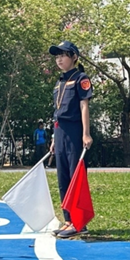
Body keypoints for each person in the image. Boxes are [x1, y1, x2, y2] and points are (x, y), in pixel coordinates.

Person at [48, 40, 93, 238]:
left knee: (75, 176)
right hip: (60, 131)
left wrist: (86, 133)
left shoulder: (80, 78)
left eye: (63, 55)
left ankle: (79, 221)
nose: (59, 59)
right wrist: (53, 138)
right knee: (63, 177)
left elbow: (84, 106)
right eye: (57, 56)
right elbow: (57, 112)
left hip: (74, 130)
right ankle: (68, 220)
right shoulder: (59, 82)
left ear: (74, 57)